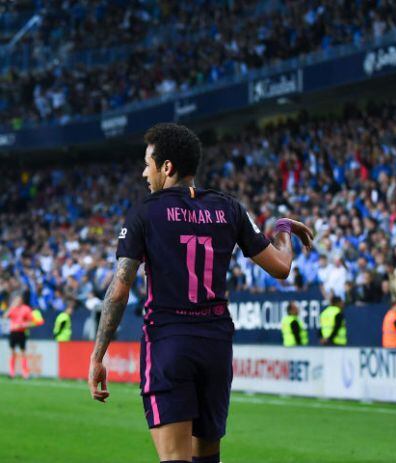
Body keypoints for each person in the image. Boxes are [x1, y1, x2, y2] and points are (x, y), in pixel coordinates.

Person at [86, 123, 314, 463]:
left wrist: (97, 355)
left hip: (169, 343)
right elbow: (281, 267)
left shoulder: (144, 212)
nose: (143, 172)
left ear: (167, 167)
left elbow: (119, 291)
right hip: (215, 345)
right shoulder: (229, 208)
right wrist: (281, 229)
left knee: (175, 458)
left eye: (147, 163)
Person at [4, 294, 34, 379]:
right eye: (16, 300)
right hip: (13, 332)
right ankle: (12, 373)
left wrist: (22, 325)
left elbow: (31, 322)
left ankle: (25, 373)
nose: (18, 302)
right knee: (13, 353)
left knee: (23, 353)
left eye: (19, 300)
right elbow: (5, 316)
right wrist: (11, 307)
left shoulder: (26, 309)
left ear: (22, 300)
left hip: (21, 332)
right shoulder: (12, 308)